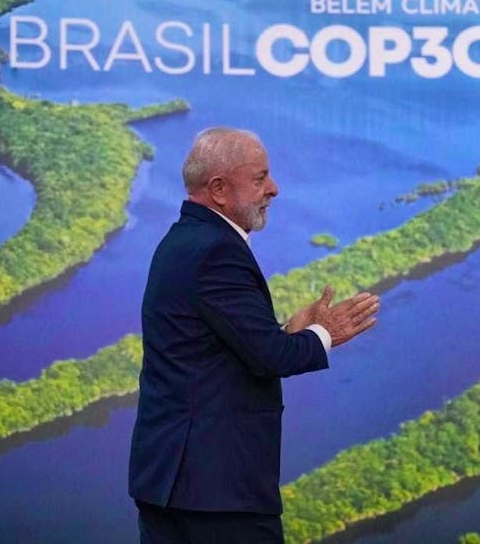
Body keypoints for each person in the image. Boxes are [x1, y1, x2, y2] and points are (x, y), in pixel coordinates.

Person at [128, 127, 379, 543]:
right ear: (220, 189)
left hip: (171, 484)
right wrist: (323, 333)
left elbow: (218, 351)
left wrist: (285, 333)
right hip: (216, 493)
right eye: (261, 178)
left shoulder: (181, 241)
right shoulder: (217, 251)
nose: (274, 189)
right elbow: (269, 359)